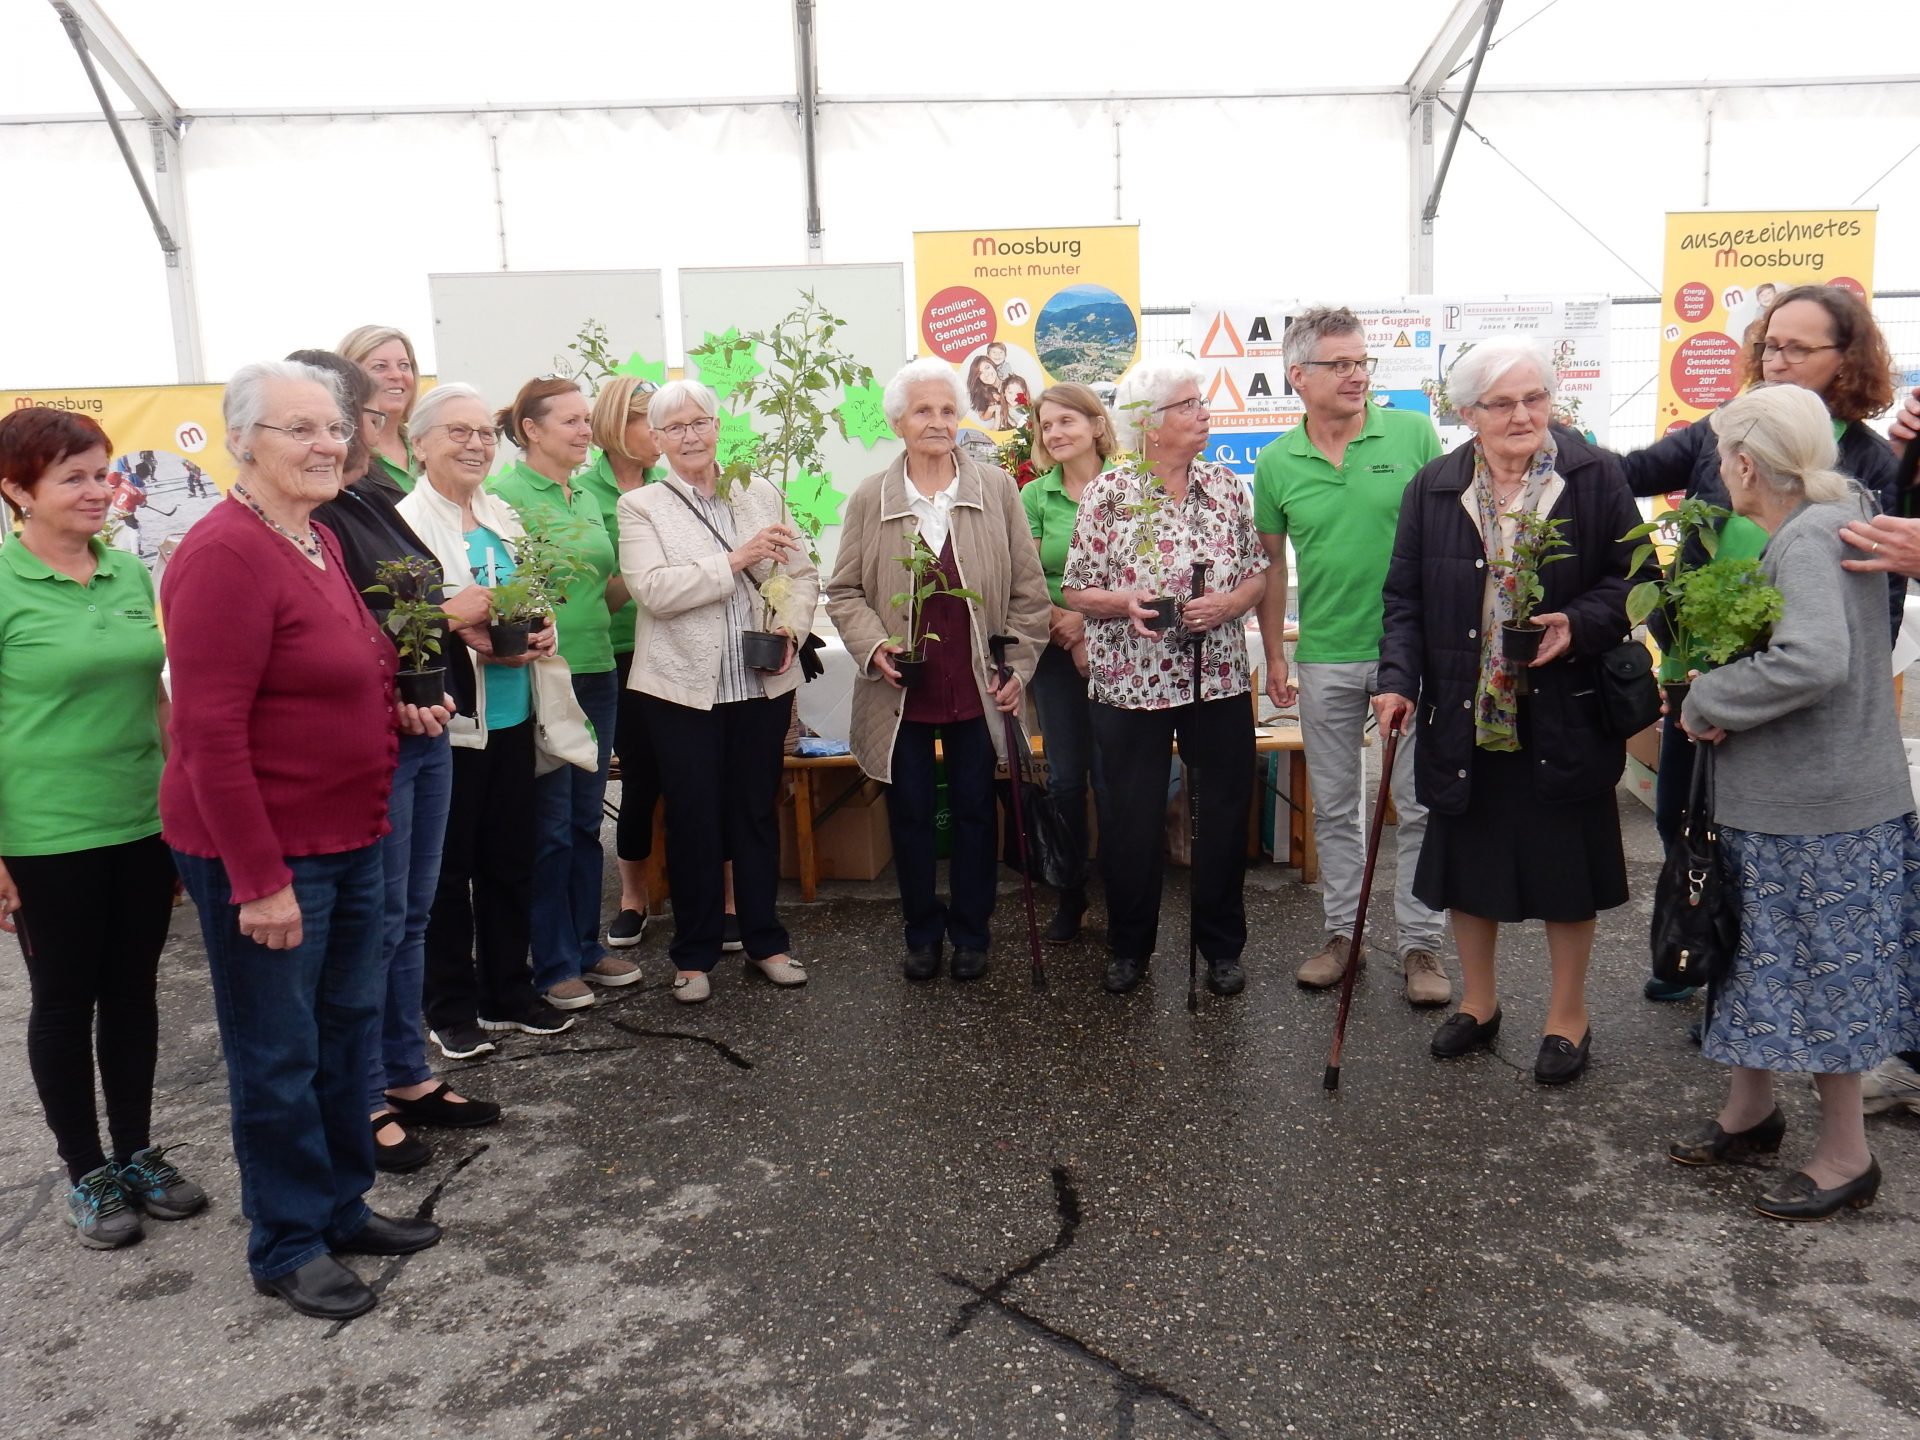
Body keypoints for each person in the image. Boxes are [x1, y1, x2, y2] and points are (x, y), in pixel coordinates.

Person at [163, 360, 442, 1320]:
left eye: (334, 428)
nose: (328, 444)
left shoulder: (314, 536)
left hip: (350, 834)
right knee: (277, 1054)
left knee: (344, 1031)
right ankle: (286, 1242)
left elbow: (332, 670)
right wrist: (258, 880)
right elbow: (207, 734)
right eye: (301, 429)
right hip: (270, 854)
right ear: (243, 441)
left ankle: (339, 1206)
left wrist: (388, 709)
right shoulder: (223, 555)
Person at [1668, 384, 1920, 1221]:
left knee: (1821, 976)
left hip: (1816, 810)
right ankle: (1751, 1112)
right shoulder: (1839, 511)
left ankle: (1847, 1156)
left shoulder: (1807, 536)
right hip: (1813, 799)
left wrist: (1711, 699)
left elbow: (1813, 660)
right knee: (1757, 959)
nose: (1718, 469)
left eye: (1721, 455)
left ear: (1745, 464)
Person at [1374, 337, 1642, 1085]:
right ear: (1467, 413)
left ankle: (1567, 1017)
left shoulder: (1594, 476)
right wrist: (1396, 681)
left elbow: (1635, 578)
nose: (1522, 415)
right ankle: (1480, 1003)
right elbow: (1404, 599)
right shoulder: (1434, 487)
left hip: (1565, 709)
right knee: (1469, 866)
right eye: (1502, 403)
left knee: (1567, 870)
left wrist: (1577, 623)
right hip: (1466, 710)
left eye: (1534, 398)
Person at [1622, 283, 1901, 1001]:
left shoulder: (1867, 467)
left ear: (1846, 359)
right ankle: (1698, 941)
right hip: (1701, 669)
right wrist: (1549, 437)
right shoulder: (1727, 426)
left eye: (1797, 348)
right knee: (1684, 816)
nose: (1777, 360)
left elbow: (1876, 605)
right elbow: (1629, 474)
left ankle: (1746, 983)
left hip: (1786, 691)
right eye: (1770, 344)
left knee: (1769, 852)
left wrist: (1845, 701)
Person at [0, 407, 206, 1251]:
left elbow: (154, 695)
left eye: (101, 474)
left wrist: (186, 799)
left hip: (141, 821)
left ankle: (136, 1152)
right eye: (73, 478)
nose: (97, 491)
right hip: (45, 834)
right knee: (63, 1001)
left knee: (132, 992)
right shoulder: (5, 582)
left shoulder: (124, 572)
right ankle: (86, 1170)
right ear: (17, 491)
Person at [300, 351, 500, 1174]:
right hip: (379, 734)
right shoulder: (316, 517)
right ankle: (362, 1097)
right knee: (374, 927)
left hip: (425, 726)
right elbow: (353, 627)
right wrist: (448, 620)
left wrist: (460, 628)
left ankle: (406, 1073)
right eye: (352, 415)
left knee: (409, 916)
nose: (358, 430)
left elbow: (413, 601)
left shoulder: (370, 498)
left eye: (359, 418)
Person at [827, 359, 1049, 983]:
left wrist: (1018, 667)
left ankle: (973, 933)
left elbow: (1030, 593)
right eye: (922, 410)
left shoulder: (995, 489)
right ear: (898, 422)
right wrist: (874, 647)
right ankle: (921, 933)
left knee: (977, 812)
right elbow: (844, 591)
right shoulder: (872, 497)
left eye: (948, 410)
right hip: (904, 690)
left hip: (979, 686)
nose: (937, 421)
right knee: (912, 815)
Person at [1253, 307, 1450, 1007]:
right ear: (1298, 376)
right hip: (1326, 654)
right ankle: (1344, 935)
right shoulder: (1276, 462)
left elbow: (1453, 541)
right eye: (1339, 364)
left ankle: (1422, 945)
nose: (1357, 374)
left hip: (1413, 654)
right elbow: (1270, 569)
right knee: (1335, 807)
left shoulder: (1413, 434)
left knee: (1419, 804)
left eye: (1362, 361)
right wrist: (1276, 657)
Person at [1062, 356, 1269, 997]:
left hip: (1217, 678)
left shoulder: (1227, 486)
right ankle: (1130, 946)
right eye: (1188, 404)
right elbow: (1075, 590)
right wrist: (1122, 602)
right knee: (1131, 816)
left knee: (1222, 812)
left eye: (1200, 402)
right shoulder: (1108, 494)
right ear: (1150, 423)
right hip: (1131, 681)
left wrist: (1230, 604)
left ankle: (1221, 948)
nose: (1204, 413)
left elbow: (1258, 575)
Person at [618, 380, 815, 1002]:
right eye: (674, 428)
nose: (690, 436)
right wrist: (736, 559)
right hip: (680, 690)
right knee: (693, 817)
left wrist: (791, 627)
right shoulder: (642, 505)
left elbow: (801, 574)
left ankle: (766, 942)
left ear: (717, 426)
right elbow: (653, 590)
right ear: (656, 439)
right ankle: (694, 955)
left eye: (699, 422)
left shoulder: (761, 492)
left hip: (761, 683)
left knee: (755, 813)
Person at [397, 384, 579, 1056]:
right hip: (452, 723)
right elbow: (394, 627)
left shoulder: (502, 514)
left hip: (514, 712)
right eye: (458, 432)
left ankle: (509, 990)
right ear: (419, 444)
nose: (476, 444)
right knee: (447, 873)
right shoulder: (405, 523)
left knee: (511, 859)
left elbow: (528, 596)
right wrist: (459, 624)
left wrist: (544, 626)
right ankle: (450, 1006)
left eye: (483, 433)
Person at [489, 378, 639, 1009]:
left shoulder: (584, 496)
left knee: (583, 821)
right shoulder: (505, 497)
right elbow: (501, 590)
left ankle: (584, 946)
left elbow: (603, 590)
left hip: (599, 669)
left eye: (587, 420)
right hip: (547, 676)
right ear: (531, 429)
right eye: (572, 421)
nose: (585, 431)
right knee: (549, 826)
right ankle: (551, 963)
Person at [1020, 382, 1117, 943]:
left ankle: (1123, 895)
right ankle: (1071, 893)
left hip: (1125, 650)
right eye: (1046, 425)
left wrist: (1089, 625)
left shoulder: (1131, 488)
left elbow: (1144, 571)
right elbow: (1029, 579)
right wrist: (1070, 629)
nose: (1054, 433)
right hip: (1056, 652)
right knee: (1063, 779)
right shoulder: (1036, 496)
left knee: (1113, 778)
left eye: (1066, 421)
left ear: (1097, 425)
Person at [574, 377, 664, 949]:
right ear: (617, 425)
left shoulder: (673, 486)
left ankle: (710, 895)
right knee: (640, 774)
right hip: (620, 649)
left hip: (677, 647)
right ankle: (633, 897)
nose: (660, 432)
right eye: (649, 421)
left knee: (693, 774)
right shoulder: (583, 494)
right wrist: (642, 567)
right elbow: (593, 593)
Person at [338, 325, 422, 494]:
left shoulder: (427, 447)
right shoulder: (341, 458)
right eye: (380, 366)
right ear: (350, 376)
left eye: (404, 365)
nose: (397, 375)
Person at [966, 355, 1005, 428]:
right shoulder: (982, 393)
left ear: (993, 365)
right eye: (980, 373)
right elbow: (982, 417)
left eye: (987, 368)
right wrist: (991, 409)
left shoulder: (1010, 382)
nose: (986, 374)